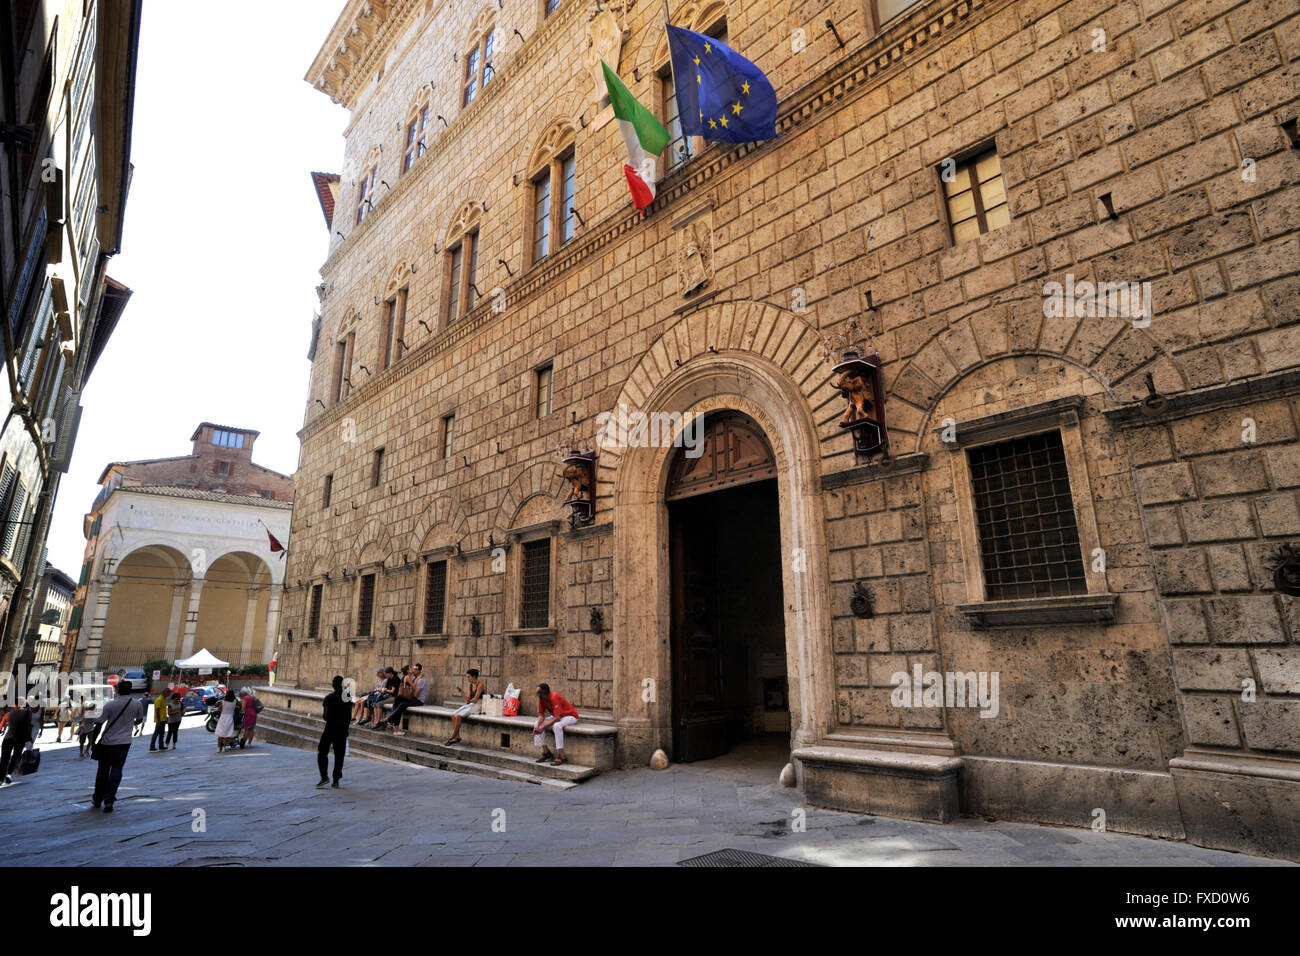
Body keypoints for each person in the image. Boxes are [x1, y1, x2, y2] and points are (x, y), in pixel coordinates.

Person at [90, 681, 137, 812]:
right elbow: (139, 719)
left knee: (102, 771)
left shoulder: (110, 705)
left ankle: (97, 798)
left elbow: (99, 724)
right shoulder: (136, 703)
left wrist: (93, 742)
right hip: (124, 743)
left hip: (107, 742)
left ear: (117, 690)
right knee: (117, 770)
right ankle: (109, 800)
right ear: (130, 690)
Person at [533, 683, 579, 766]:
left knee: (557, 726)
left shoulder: (554, 697)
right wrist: (538, 727)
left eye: (539, 693)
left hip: (571, 716)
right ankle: (547, 752)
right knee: (536, 723)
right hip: (557, 716)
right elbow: (541, 716)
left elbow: (557, 718)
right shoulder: (541, 698)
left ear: (544, 692)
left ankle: (562, 755)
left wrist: (543, 727)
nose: (537, 695)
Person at [317, 675, 349, 788]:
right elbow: (349, 716)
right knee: (339, 755)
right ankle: (336, 780)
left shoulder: (328, 698)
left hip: (330, 729)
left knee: (322, 752)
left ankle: (324, 777)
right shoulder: (347, 698)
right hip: (342, 730)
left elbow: (325, 716)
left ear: (333, 685)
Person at [377, 662, 425, 735]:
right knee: (397, 701)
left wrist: (411, 689)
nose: (414, 670)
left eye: (416, 669)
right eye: (413, 669)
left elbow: (415, 695)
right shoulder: (413, 678)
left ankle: (389, 720)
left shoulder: (420, 680)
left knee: (401, 704)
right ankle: (393, 726)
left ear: (420, 671)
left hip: (418, 700)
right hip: (411, 698)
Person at [446, 668, 484, 745]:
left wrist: (469, 701)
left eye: (468, 677)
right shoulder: (471, 685)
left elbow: (476, 699)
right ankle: (457, 736)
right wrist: (462, 692)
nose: (467, 678)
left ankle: (453, 736)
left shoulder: (480, 684)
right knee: (453, 715)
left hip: (478, 704)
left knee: (459, 716)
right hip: (471, 704)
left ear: (474, 676)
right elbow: (468, 699)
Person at [0, 699, 34, 785]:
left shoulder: (8, 714)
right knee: (15, 757)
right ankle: (8, 774)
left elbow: (1, 725)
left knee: (4, 759)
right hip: (20, 739)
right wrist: (29, 738)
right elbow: (29, 725)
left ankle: (0, 779)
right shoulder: (27, 712)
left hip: (8, 738)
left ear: (14, 704)